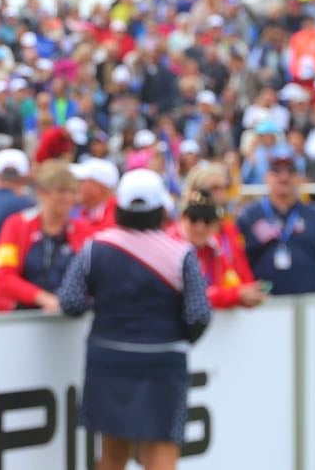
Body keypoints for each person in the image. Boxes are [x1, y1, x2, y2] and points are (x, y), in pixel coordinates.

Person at [58, 169, 211, 470]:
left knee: (113, 455)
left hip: (109, 358)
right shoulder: (181, 253)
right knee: (162, 452)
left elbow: (70, 301)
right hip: (164, 361)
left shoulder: (95, 247)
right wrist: (174, 339)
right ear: (160, 209)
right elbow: (199, 314)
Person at [0, 160, 93, 312]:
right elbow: (2, 276)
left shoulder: (84, 231)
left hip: (68, 317)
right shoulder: (16, 225)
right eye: (61, 191)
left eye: (72, 192)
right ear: (42, 192)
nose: (68, 198)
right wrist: (42, 298)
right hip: (21, 316)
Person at [236, 145, 315, 295]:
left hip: (308, 304)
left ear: (299, 177)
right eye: (276, 171)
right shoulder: (248, 215)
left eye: (290, 171)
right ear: (267, 176)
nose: (284, 177)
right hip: (264, 305)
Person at [168, 190, 267, 309]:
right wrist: (237, 295)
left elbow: (226, 284)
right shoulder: (172, 245)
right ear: (183, 218)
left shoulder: (214, 247)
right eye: (193, 219)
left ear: (216, 224)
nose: (200, 227)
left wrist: (249, 292)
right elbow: (190, 297)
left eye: (207, 220)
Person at [70, 158, 119, 232]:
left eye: (81, 181)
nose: (76, 186)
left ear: (98, 187)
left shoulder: (117, 218)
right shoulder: (90, 212)